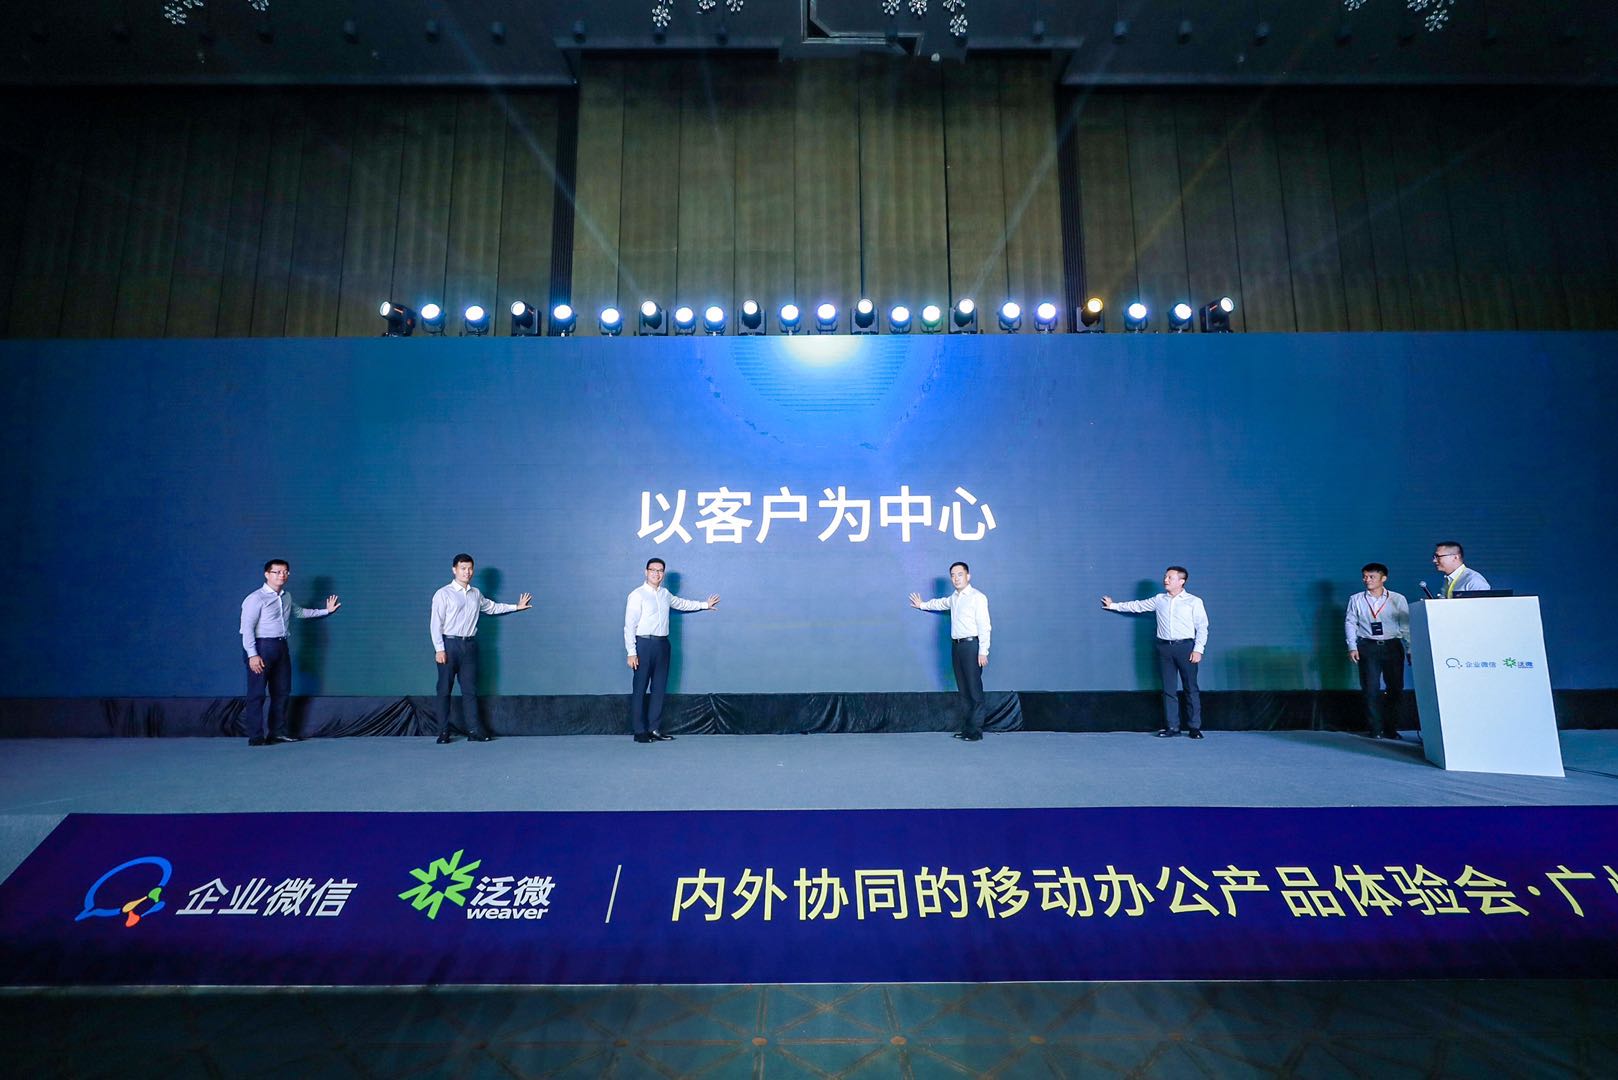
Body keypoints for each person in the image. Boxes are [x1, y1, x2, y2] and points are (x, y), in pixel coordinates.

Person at [430, 553, 532, 743]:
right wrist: (439, 649)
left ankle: (474, 731)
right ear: (454, 570)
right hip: (449, 645)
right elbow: (436, 623)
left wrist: (516, 607)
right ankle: (443, 732)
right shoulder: (443, 594)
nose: (467, 572)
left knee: (470, 690)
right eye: (463, 568)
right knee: (444, 690)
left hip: (469, 646)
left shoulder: (476, 594)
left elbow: (492, 607)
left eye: (470, 568)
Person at [239, 559, 340, 746]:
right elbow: (247, 629)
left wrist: (326, 611)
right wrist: (252, 654)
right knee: (257, 694)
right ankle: (256, 736)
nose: (282, 575)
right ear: (267, 574)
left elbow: (300, 612)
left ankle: (277, 733)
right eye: (277, 572)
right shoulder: (255, 598)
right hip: (261, 647)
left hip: (281, 647)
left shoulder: (286, 597)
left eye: (285, 572)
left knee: (282, 692)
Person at [1100, 567, 1209, 739]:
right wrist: (1113, 605)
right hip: (1164, 648)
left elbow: (1202, 627)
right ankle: (1173, 727)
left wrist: (1198, 649)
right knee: (1169, 689)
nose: (1165, 580)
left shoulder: (1194, 601)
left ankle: (1194, 727)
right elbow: (1137, 606)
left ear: (1181, 581)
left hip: (1186, 648)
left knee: (1191, 688)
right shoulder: (1159, 599)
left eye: (1170, 577)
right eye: (1165, 577)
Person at [624, 558, 719, 743]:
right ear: (646, 572)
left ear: (663, 574)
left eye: (660, 571)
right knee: (640, 688)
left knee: (659, 688)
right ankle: (639, 731)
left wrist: (705, 605)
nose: (656, 573)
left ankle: (654, 729)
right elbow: (629, 625)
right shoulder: (637, 595)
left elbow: (682, 604)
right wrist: (631, 652)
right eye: (653, 570)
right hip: (643, 644)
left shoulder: (665, 594)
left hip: (662, 645)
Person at [909, 562, 992, 741]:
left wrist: (983, 651)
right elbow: (940, 603)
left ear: (968, 576)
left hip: (972, 647)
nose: (956, 578)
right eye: (953, 575)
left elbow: (985, 626)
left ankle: (976, 732)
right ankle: (967, 729)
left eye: (959, 574)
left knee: (974, 690)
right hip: (957, 646)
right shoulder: (954, 598)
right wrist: (922, 604)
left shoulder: (978, 597)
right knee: (963, 690)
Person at [1345, 562, 1411, 739]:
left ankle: (1391, 729)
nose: (1367, 580)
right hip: (1368, 646)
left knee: (1395, 688)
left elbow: (1405, 626)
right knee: (1370, 688)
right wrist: (1352, 646)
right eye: (1365, 577)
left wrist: (1410, 648)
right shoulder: (1356, 599)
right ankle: (1375, 729)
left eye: (1371, 577)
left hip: (1392, 646)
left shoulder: (1397, 598)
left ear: (1384, 578)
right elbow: (1350, 623)